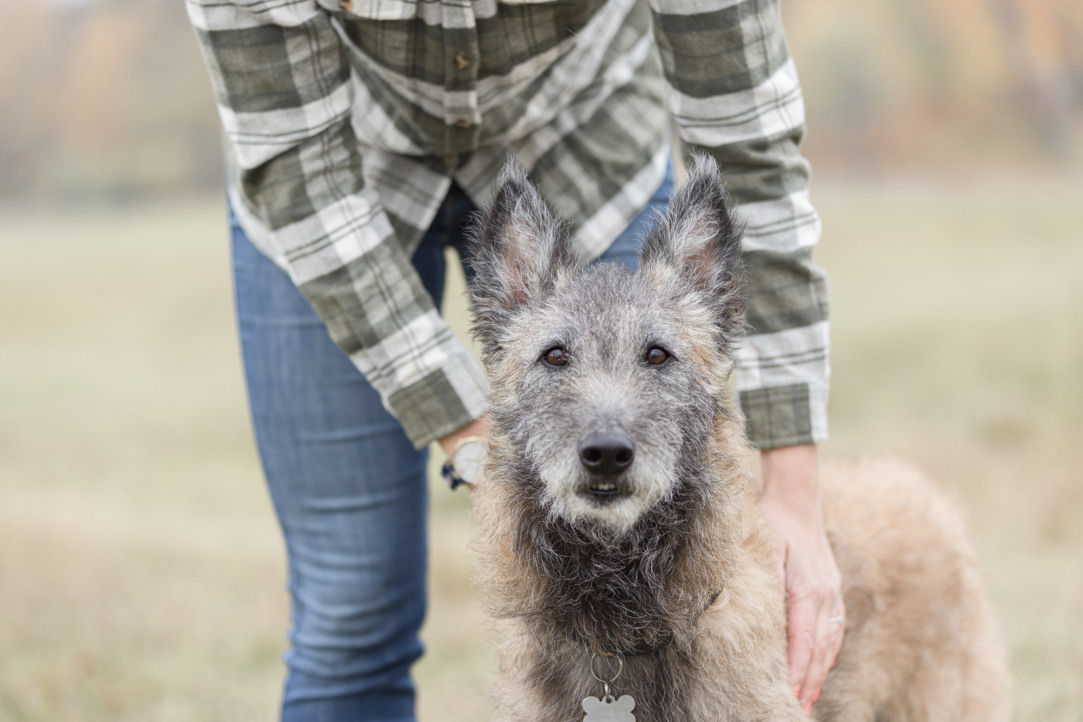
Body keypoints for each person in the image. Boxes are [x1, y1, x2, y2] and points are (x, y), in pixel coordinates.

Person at [187, 0, 842, 717]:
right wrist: (472, 436)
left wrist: (792, 482)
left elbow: (746, 133)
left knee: (669, 597)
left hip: (581, 141)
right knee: (350, 604)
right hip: (332, 176)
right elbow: (295, 164)